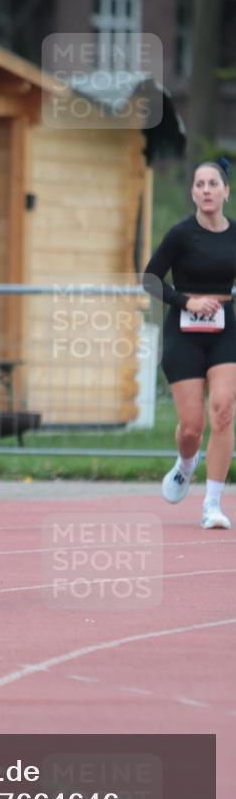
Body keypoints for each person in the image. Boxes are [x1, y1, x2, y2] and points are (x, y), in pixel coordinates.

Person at [143, 158, 235, 528]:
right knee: (192, 426)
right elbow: (150, 279)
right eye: (200, 184)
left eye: (213, 183)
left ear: (226, 191)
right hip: (183, 331)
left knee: (224, 411)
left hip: (227, 330)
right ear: (193, 192)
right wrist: (187, 301)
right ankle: (185, 462)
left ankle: (212, 503)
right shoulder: (181, 235)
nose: (207, 190)